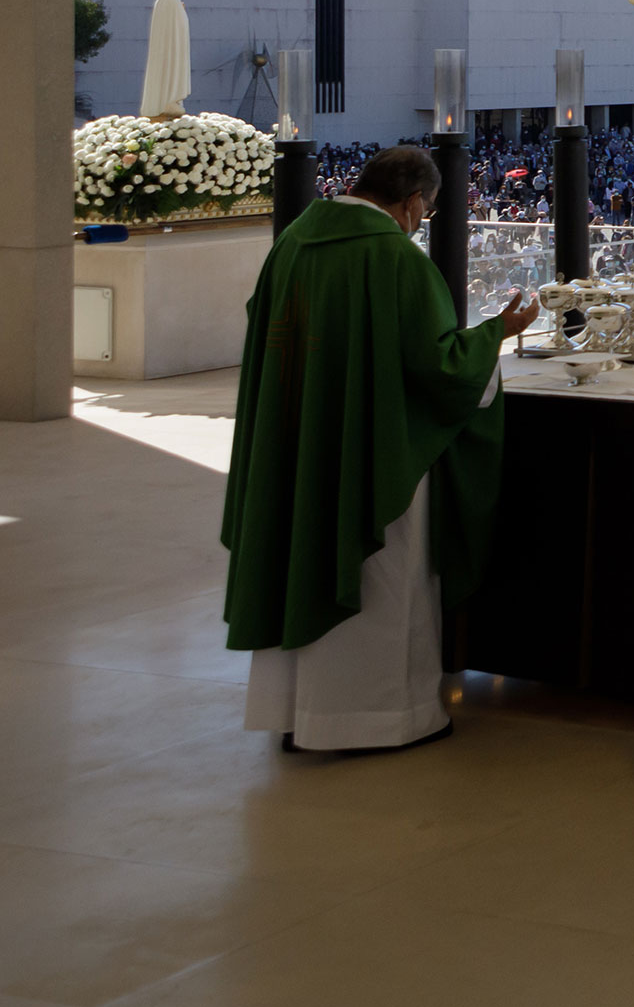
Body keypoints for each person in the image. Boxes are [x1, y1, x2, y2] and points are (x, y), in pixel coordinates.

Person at [224, 145, 535, 752]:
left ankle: (299, 712)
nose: (422, 221)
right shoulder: (393, 256)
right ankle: (381, 720)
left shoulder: (291, 242)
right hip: (372, 449)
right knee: (386, 578)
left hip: (299, 442)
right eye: (428, 210)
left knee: (304, 555)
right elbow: (437, 365)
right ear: (414, 200)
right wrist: (497, 333)